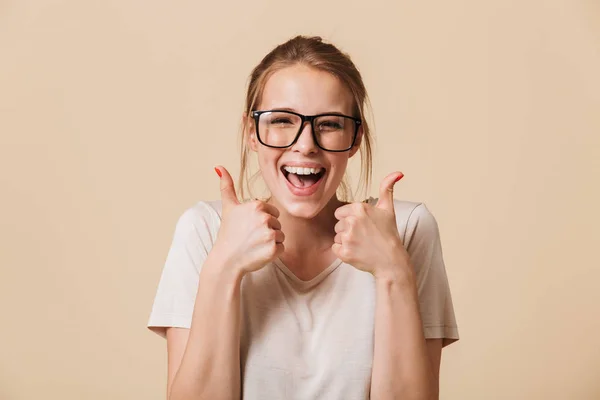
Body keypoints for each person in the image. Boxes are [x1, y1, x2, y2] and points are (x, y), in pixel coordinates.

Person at [147, 35, 459, 400]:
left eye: (329, 124)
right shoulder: (204, 230)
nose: (306, 143)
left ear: (356, 137)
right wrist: (222, 270)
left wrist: (394, 272)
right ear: (252, 133)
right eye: (281, 120)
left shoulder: (404, 230)